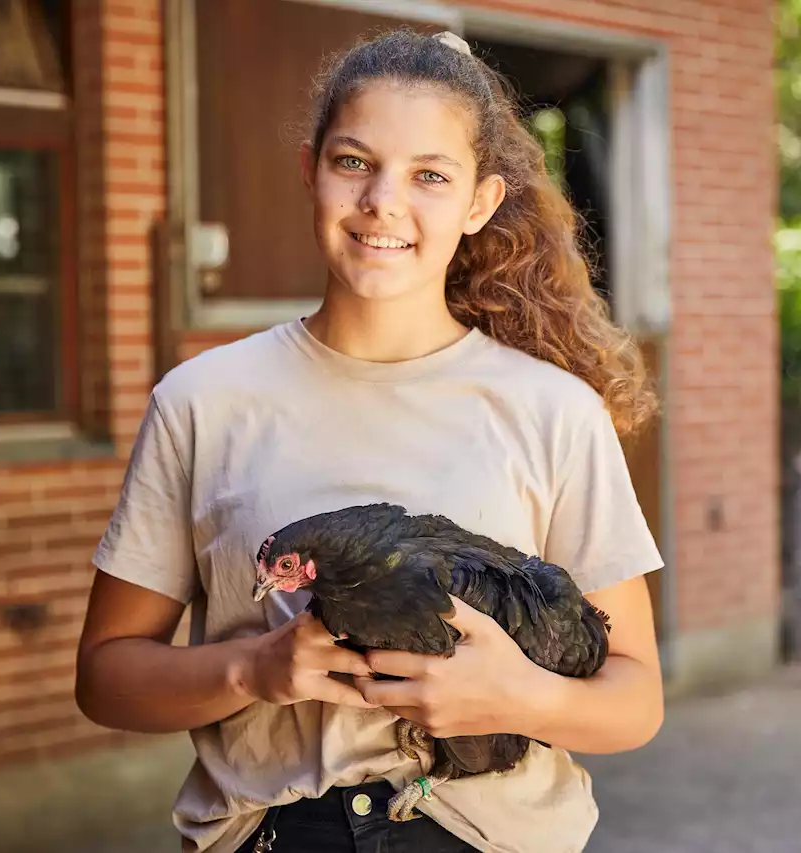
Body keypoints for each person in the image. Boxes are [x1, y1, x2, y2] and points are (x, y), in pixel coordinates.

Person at [75, 28, 664, 853]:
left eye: (430, 175)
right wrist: (253, 668)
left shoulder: (554, 411)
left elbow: (636, 699)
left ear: (480, 202)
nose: (384, 200)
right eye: (354, 162)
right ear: (310, 170)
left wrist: (517, 696)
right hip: (271, 832)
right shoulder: (205, 401)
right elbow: (106, 678)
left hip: (487, 831)